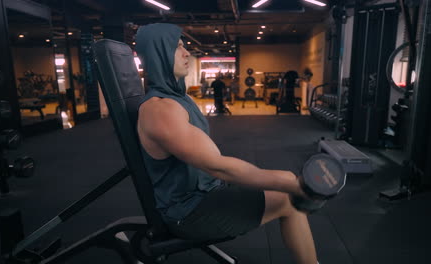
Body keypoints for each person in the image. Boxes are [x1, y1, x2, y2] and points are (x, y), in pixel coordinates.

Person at [135, 23, 317, 264]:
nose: (186, 52)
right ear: (158, 54)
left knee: (283, 192)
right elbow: (218, 167)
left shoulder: (177, 99)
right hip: (189, 213)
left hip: (205, 192)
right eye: (176, 47)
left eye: (184, 46)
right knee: (289, 201)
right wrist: (291, 182)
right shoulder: (160, 110)